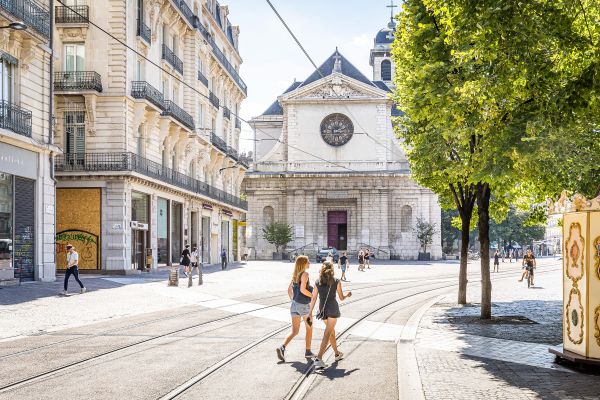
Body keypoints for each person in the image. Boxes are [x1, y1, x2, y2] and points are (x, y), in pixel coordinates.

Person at [310, 261, 352, 369]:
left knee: (331, 332)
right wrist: (347, 294)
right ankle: (319, 358)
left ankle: (337, 353)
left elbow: (314, 298)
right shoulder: (336, 281)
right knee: (328, 333)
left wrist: (310, 312)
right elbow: (341, 298)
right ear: (332, 269)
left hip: (322, 310)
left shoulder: (317, 282)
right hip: (332, 309)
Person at [276, 255, 315, 362]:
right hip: (304, 307)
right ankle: (308, 352)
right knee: (309, 328)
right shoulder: (305, 274)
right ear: (304, 263)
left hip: (294, 306)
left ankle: (282, 347)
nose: (310, 263)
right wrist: (313, 296)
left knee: (295, 331)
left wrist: (294, 300)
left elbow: (289, 290)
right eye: (308, 261)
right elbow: (302, 290)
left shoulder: (295, 275)